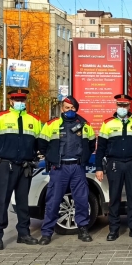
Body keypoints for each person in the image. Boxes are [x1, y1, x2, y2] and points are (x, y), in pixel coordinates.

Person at [0, 89, 42, 250]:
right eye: (16, 100)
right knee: (2, 199)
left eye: (22, 100)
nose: (20, 102)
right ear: (10, 101)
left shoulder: (34, 119)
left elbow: (40, 143)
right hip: (6, 164)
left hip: (25, 166)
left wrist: (35, 157)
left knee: (23, 200)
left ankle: (23, 233)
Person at [37, 96, 96, 245]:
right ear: (62, 108)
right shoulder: (52, 124)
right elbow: (42, 144)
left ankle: (82, 228)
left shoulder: (84, 125)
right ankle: (47, 233)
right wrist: (52, 158)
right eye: (67, 108)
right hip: (59, 168)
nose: (69, 110)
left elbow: (91, 145)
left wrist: (83, 159)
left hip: (77, 168)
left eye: (72, 108)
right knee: (53, 201)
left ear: (76, 109)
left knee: (82, 200)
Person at [95, 94, 132, 241]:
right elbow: (101, 148)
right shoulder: (107, 123)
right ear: (116, 105)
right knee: (114, 198)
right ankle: (113, 230)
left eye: (125, 105)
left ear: (129, 106)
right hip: (114, 164)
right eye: (120, 105)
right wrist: (99, 167)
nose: (122, 108)